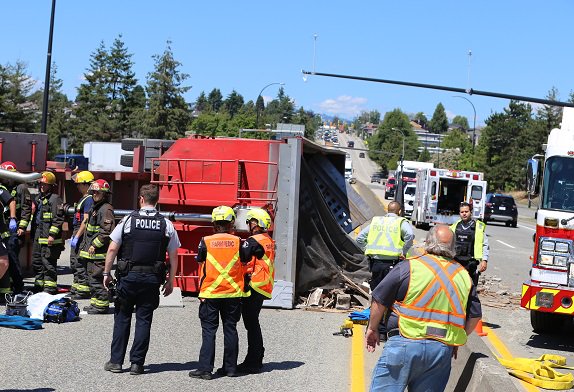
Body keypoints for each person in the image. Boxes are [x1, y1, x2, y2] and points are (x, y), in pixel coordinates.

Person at [366, 225, 482, 392]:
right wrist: (454, 339)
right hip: (440, 351)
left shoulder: (409, 266)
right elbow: (475, 316)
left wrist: (372, 328)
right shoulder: (464, 276)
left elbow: (379, 300)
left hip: (404, 342)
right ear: (453, 247)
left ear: (428, 242)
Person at [102, 184, 180, 375]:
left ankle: (116, 362)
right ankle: (137, 364)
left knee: (122, 318)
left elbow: (112, 248)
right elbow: (174, 254)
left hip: (128, 277)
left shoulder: (128, 220)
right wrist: (171, 281)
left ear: (141, 199)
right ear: (157, 201)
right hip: (152, 279)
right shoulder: (166, 224)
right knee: (144, 319)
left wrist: (106, 273)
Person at [189, 206, 247, 380]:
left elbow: (199, 259)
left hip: (210, 293)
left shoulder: (205, 241)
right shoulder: (239, 241)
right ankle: (230, 368)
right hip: (233, 293)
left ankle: (205, 369)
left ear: (214, 223)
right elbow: (244, 260)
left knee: (209, 331)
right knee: (230, 329)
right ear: (231, 223)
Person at [356, 201, 414, 338]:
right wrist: (404, 251)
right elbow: (410, 235)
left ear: (387, 210)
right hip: (393, 265)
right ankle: (385, 330)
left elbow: (359, 239)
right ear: (399, 211)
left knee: (377, 296)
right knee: (391, 297)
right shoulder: (400, 222)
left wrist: (368, 251)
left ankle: (374, 328)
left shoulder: (376, 222)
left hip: (376, 264)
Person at [238, 208, 275, 374]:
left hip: (254, 285)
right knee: (253, 322)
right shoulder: (267, 239)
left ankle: (254, 360)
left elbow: (241, 256)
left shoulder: (253, 240)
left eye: (250, 221)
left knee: (251, 323)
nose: (248, 225)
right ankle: (256, 356)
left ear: (256, 223)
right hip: (263, 285)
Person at [79, 179, 115, 314]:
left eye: (97, 192)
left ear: (104, 194)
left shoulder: (106, 209)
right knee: (91, 278)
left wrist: (94, 244)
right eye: (93, 192)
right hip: (92, 253)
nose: (94, 194)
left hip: (99, 253)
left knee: (96, 279)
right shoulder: (96, 207)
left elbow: (106, 232)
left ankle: (101, 305)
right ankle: (95, 303)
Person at [0, 161, 32, 295]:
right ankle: (11, 286)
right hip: (4, 227)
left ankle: (18, 287)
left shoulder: (21, 188)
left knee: (12, 259)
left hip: (15, 229)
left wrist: (21, 227)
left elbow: (26, 208)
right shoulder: (5, 187)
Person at [31, 171, 65, 294]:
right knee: (37, 262)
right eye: (40, 184)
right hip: (38, 237)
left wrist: (52, 235)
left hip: (49, 239)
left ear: (51, 185)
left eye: (44, 184)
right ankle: (39, 285)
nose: (42, 186)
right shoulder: (39, 199)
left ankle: (50, 288)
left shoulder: (55, 199)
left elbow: (58, 219)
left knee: (48, 263)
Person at [450, 202, 489, 286]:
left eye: (466, 212)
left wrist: (484, 260)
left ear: (471, 212)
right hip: (456, 262)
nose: (464, 214)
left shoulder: (478, 227)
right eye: (462, 212)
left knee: (470, 288)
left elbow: (485, 245)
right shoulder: (454, 226)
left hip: (470, 263)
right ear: (459, 213)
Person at [68, 171, 94, 299]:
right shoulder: (85, 198)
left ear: (85, 184)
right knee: (74, 261)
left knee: (79, 260)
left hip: (81, 232)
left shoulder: (88, 200)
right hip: (78, 230)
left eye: (79, 184)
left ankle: (83, 289)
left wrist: (77, 236)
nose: (77, 186)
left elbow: (85, 220)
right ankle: (76, 287)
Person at [0, 179, 16, 299]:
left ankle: (4, 292)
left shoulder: (0, 189)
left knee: (4, 261)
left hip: (2, 233)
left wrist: (12, 218)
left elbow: (11, 201)